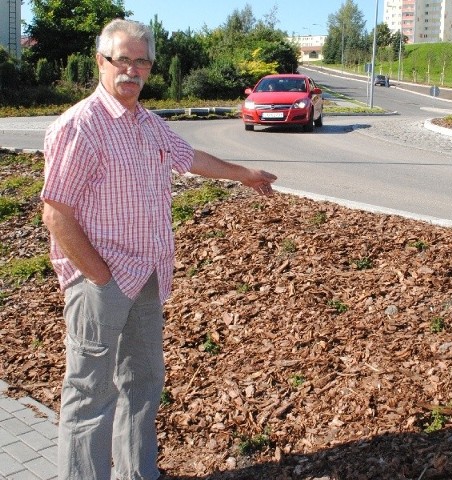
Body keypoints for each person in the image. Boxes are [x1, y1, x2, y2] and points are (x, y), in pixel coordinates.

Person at [41, 18, 277, 480]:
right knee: (90, 396)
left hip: (147, 278)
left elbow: (190, 158)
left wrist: (243, 173)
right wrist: (99, 277)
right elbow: (56, 214)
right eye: (121, 59)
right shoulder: (79, 126)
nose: (131, 70)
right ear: (101, 62)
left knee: (143, 386)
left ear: (150, 67)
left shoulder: (148, 123)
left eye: (141, 60)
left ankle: (138, 474)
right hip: (100, 282)